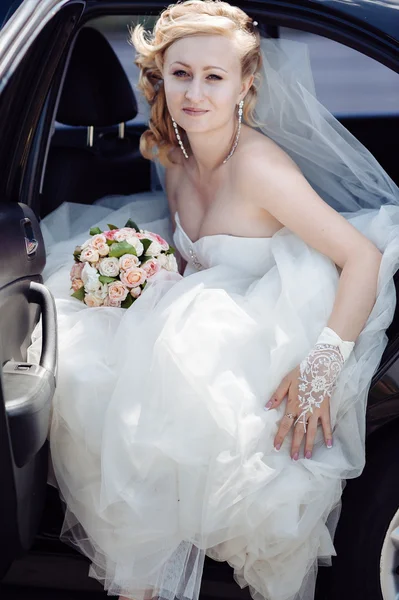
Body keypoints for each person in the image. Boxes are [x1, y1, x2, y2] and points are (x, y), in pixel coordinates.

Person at [28, 1, 399, 600]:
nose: (195, 93)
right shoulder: (174, 157)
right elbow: (190, 255)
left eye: (214, 76)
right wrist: (144, 274)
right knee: (81, 359)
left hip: (271, 320)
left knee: (163, 418)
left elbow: (363, 258)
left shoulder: (258, 167)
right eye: (180, 74)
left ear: (244, 85)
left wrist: (321, 369)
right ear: (159, 77)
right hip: (200, 310)